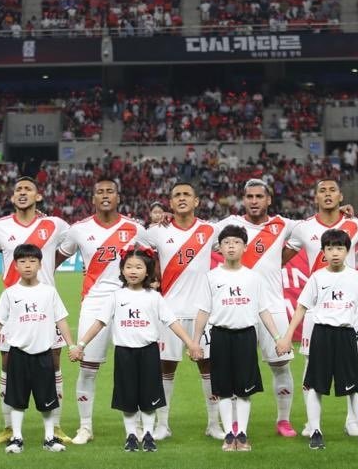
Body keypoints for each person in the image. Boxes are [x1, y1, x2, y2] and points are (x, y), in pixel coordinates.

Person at [71, 247, 203, 452]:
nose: (133, 271)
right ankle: (131, 434)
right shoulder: (115, 296)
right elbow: (99, 323)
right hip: (124, 353)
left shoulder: (155, 297)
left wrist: (191, 343)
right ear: (122, 270)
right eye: (128, 267)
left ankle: (148, 434)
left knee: (149, 396)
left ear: (147, 271)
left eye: (138, 267)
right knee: (128, 397)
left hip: (149, 352)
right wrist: (81, 345)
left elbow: (172, 322)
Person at [277, 228, 358, 451]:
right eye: (330, 248)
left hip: (346, 336)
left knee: (355, 388)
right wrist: (287, 337)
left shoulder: (355, 276)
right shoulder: (317, 277)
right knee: (315, 387)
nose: (335, 252)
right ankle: (316, 430)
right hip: (321, 335)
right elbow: (301, 308)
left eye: (340, 248)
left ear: (347, 251)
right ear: (323, 252)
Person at [286, 177, 358, 437]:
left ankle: (353, 421)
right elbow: (278, 257)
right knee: (310, 368)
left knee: (355, 366)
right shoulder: (303, 228)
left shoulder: (356, 225)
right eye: (322, 191)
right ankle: (311, 423)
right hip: (316, 312)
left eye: (332, 190)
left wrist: (354, 265)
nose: (327, 194)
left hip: (348, 312)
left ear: (341, 196)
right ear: (315, 198)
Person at [57, 177, 150, 444]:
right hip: (94, 302)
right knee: (88, 367)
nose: (106, 195)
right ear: (93, 198)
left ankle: (141, 425)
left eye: (111, 191)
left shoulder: (135, 228)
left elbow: (153, 257)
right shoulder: (79, 229)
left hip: (130, 301)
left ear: (118, 197)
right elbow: (55, 257)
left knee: (135, 366)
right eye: (100, 192)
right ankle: (85, 427)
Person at [0, 176, 70, 444]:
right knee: (8, 366)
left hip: (46, 308)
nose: (22, 192)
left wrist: (49, 267)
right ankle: (9, 427)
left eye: (27, 189)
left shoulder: (54, 224)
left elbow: (69, 247)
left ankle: (55, 427)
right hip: (14, 309)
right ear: (11, 197)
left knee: (54, 365)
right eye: (18, 189)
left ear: (38, 196)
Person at [216, 178, 299, 438]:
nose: (254, 201)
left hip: (271, 307)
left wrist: (343, 212)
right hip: (237, 308)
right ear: (243, 199)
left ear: (268, 200)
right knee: (233, 370)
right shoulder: (230, 225)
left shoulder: (283, 225)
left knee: (281, 365)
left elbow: (316, 226)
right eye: (249, 196)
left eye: (259, 197)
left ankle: (283, 420)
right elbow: (197, 233)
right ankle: (235, 425)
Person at [0, 244, 76, 454]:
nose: (28, 265)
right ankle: (17, 437)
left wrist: (72, 345)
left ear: (40, 264)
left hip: (44, 353)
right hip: (18, 354)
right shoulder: (10, 293)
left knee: (48, 399)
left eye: (32, 261)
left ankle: (49, 438)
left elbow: (62, 320)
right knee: (17, 399)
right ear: (15, 265)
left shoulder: (49, 292)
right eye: (22, 261)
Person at [193, 225, 283, 452]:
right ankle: (228, 435)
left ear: (244, 247)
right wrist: (195, 341)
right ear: (220, 248)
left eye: (236, 242)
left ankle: (241, 434)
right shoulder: (211, 277)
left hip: (246, 336)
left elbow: (263, 310)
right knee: (223, 389)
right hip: (221, 336)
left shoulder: (253, 277)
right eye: (226, 242)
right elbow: (203, 310)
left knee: (244, 389)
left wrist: (278, 338)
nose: (231, 246)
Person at [145, 181, 222, 439]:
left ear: (197, 201)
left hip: (204, 313)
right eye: (176, 195)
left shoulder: (210, 230)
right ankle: (162, 425)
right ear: (170, 202)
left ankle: (214, 424)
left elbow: (245, 226)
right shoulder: (156, 232)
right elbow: (135, 247)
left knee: (208, 367)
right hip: (169, 313)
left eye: (187, 194)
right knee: (165, 368)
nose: (181, 198)